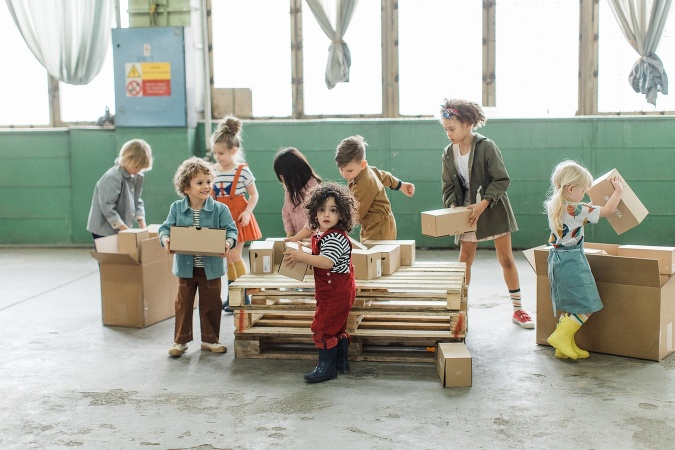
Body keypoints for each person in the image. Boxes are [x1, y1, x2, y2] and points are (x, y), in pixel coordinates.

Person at [439, 99, 534, 329]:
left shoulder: (486, 146)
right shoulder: (448, 153)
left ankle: (518, 309)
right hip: (467, 215)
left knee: (506, 259)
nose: (448, 134)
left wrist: (483, 204)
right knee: (464, 261)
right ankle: (462, 310)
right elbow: (448, 187)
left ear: (468, 124)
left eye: (452, 129)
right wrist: (453, 207)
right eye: (445, 129)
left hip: (492, 209)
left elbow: (501, 180)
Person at [158, 157, 238, 357]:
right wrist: (166, 240)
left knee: (211, 304)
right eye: (200, 183)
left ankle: (210, 340)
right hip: (186, 267)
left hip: (211, 268)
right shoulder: (177, 208)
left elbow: (231, 230)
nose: (206, 186)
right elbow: (165, 229)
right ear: (186, 188)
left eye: (209, 182)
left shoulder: (220, 209)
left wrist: (228, 243)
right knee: (183, 305)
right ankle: (180, 341)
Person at [544, 160, 623, 360]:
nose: (585, 194)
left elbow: (575, 217)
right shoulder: (577, 210)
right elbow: (607, 211)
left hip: (558, 259)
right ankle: (560, 337)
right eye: (583, 190)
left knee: (572, 304)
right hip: (572, 260)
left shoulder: (558, 205)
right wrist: (618, 192)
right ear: (571, 188)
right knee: (587, 305)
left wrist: (584, 206)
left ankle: (563, 347)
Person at [282, 182, 359, 383]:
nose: (327, 214)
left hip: (335, 292)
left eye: (333, 210)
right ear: (314, 213)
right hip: (335, 291)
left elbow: (326, 261)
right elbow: (320, 249)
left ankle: (327, 369)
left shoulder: (335, 238)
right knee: (337, 328)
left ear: (342, 214)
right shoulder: (325, 235)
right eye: (322, 209)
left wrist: (301, 257)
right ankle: (342, 363)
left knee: (322, 328)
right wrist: (304, 246)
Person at [210, 115, 262, 313]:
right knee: (226, 257)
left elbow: (254, 194)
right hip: (220, 217)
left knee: (234, 254)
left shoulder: (243, 171)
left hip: (239, 216)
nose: (217, 157)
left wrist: (248, 211)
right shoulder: (212, 170)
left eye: (221, 153)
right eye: (215, 153)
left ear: (234, 151)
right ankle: (233, 295)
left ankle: (244, 294)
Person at [334, 135, 415, 241]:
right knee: (372, 253)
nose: (344, 174)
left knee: (376, 256)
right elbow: (384, 176)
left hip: (379, 227)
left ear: (363, 164)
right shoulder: (366, 170)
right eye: (341, 169)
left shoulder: (364, 186)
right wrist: (400, 185)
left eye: (349, 171)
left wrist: (334, 223)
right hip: (374, 223)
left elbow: (356, 213)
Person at [87, 139, 153, 240]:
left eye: (141, 168)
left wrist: (142, 224)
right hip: (103, 230)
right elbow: (107, 206)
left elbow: (137, 200)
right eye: (136, 167)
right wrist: (125, 229)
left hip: (120, 228)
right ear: (127, 160)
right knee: (110, 255)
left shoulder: (134, 175)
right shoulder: (113, 177)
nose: (138, 171)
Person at [273, 147, 322, 242]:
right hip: (300, 240)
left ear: (296, 173)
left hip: (315, 240)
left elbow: (313, 220)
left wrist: (296, 238)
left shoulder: (314, 189)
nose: (281, 178)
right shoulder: (290, 190)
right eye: (280, 176)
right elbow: (286, 213)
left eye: (283, 176)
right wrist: (290, 233)